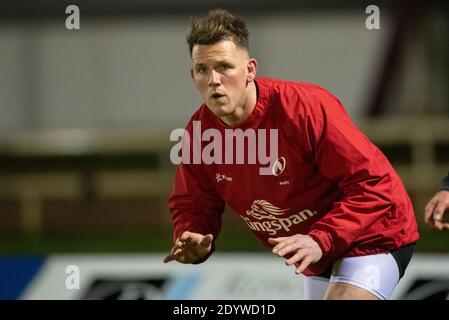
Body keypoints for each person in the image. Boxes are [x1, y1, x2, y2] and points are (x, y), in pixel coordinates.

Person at [164, 9, 419, 300]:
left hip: (372, 234)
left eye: (225, 67)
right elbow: (194, 204)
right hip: (312, 250)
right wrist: (193, 234)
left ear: (250, 70)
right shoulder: (200, 134)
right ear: (192, 75)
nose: (214, 80)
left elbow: (373, 185)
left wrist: (320, 239)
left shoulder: (304, 109)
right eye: (203, 70)